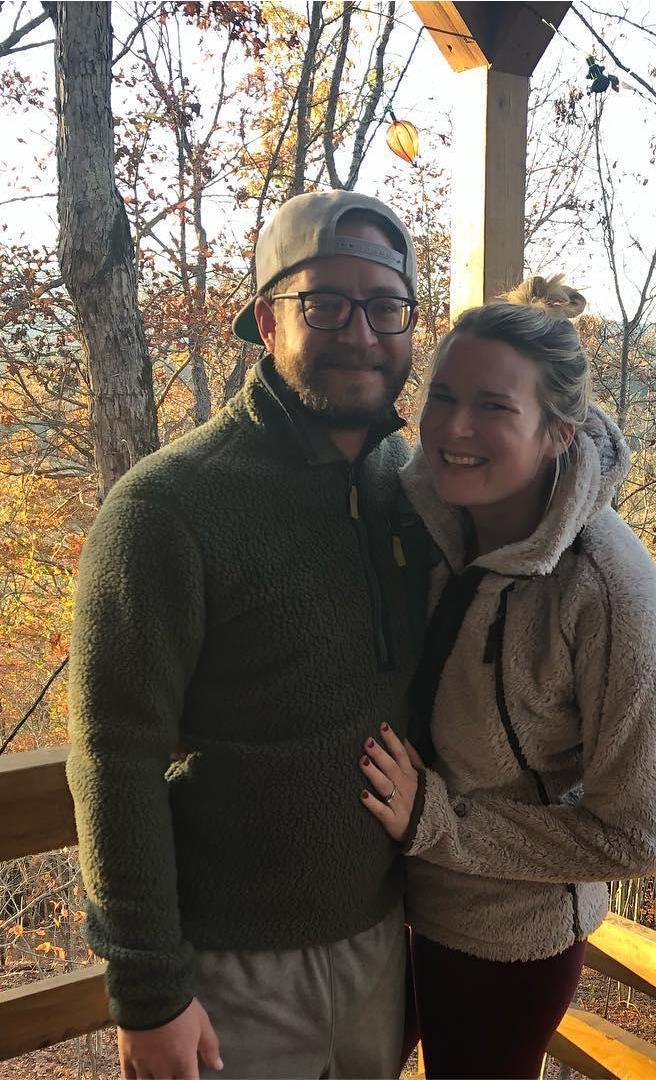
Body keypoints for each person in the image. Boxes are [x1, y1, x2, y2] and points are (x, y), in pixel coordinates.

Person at [66, 190, 431, 1080]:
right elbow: (114, 754)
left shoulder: (412, 486)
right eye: (325, 304)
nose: (361, 333)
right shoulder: (169, 507)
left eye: (385, 306)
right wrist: (150, 988)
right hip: (232, 972)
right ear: (268, 321)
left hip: (383, 946)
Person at [359, 275, 656, 1079]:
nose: (454, 428)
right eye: (443, 397)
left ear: (557, 433)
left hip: (504, 939)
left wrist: (436, 822)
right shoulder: (422, 516)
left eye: (495, 407)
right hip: (383, 901)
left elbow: (637, 834)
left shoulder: (608, 590)